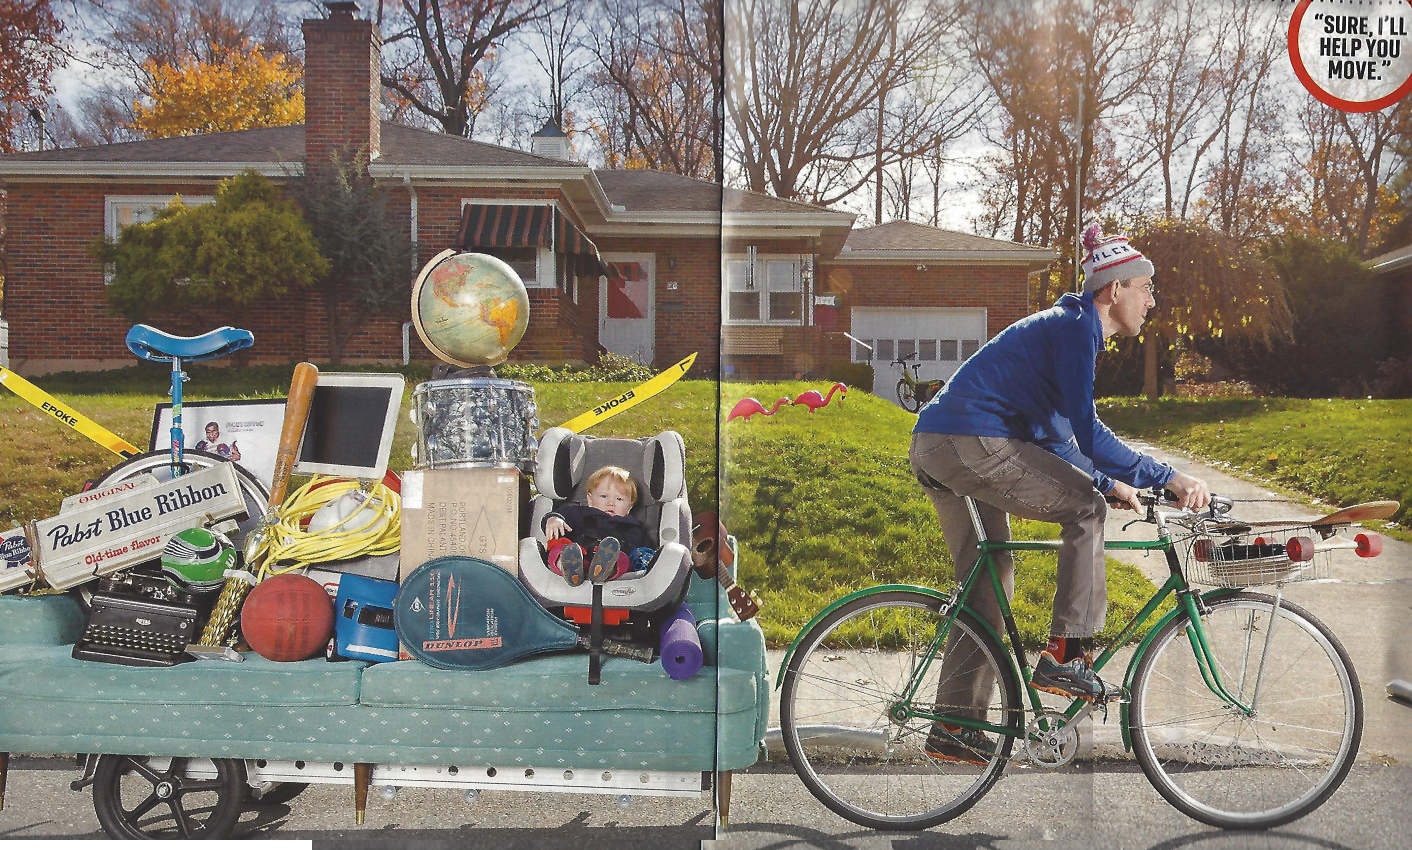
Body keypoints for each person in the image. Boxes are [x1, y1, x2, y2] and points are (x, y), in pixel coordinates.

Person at [908, 224, 1210, 765]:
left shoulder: (1065, 329)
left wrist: (1109, 479)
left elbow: (1054, 437)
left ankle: (955, 726)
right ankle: (1067, 654)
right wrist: (1165, 476)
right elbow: (1089, 434)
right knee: (1085, 511)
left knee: (986, 580)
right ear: (1114, 289)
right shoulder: (1077, 328)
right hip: (967, 441)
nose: (1152, 300)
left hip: (943, 444)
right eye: (1146, 287)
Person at [543, 465, 656, 585]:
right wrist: (554, 519)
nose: (611, 503)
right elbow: (560, 515)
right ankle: (566, 566)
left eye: (619, 499)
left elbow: (645, 552)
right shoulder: (578, 512)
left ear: (629, 507)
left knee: (624, 559)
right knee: (559, 546)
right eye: (604, 496)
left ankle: (607, 570)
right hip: (579, 554)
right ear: (590, 500)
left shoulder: (633, 527)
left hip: (613, 559)